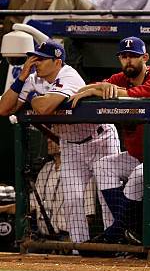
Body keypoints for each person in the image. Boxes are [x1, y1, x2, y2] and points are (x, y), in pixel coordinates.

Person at [0, 40, 121, 244]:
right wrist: (21, 79)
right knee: (72, 199)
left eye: (41, 59)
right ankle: (78, 248)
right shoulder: (31, 79)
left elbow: (45, 107)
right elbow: (4, 109)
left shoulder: (68, 75)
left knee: (105, 197)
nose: (35, 62)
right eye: (34, 58)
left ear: (57, 62)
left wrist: (31, 97)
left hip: (99, 138)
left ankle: (117, 247)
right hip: (70, 144)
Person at [69, 37, 150, 243]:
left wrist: (99, 90)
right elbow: (83, 90)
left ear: (145, 58)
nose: (128, 61)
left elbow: (139, 96)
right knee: (103, 166)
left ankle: (118, 231)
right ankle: (128, 229)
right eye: (124, 56)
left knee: (137, 177)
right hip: (138, 155)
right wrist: (96, 88)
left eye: (133, 56)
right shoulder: (120, 78)